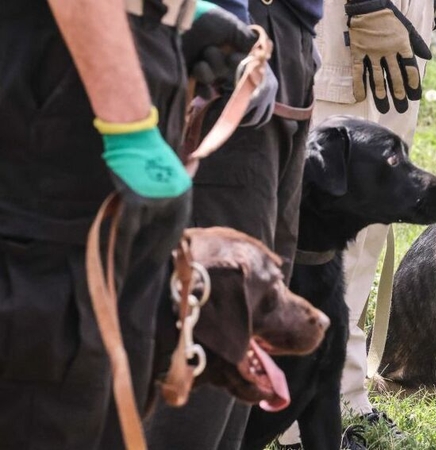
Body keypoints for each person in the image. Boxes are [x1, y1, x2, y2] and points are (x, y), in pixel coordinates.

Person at [0, 1, 253, 448]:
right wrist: (129, 126)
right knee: (54, 388)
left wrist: (177, 16)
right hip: (72, 71)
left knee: (115, 386)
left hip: (121, 52)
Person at [276, 0, 436, 447]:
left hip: (401, 16)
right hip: (353, 19)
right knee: (322, 218)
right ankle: (297, 417)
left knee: (368, 224)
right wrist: (368, 4)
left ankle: (344, 393)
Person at [144, 0, 320, 448]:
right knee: (212, 310)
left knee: (256, 303)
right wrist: (232, 29)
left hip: (288, 38)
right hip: (231, 45)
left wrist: (298, 40)